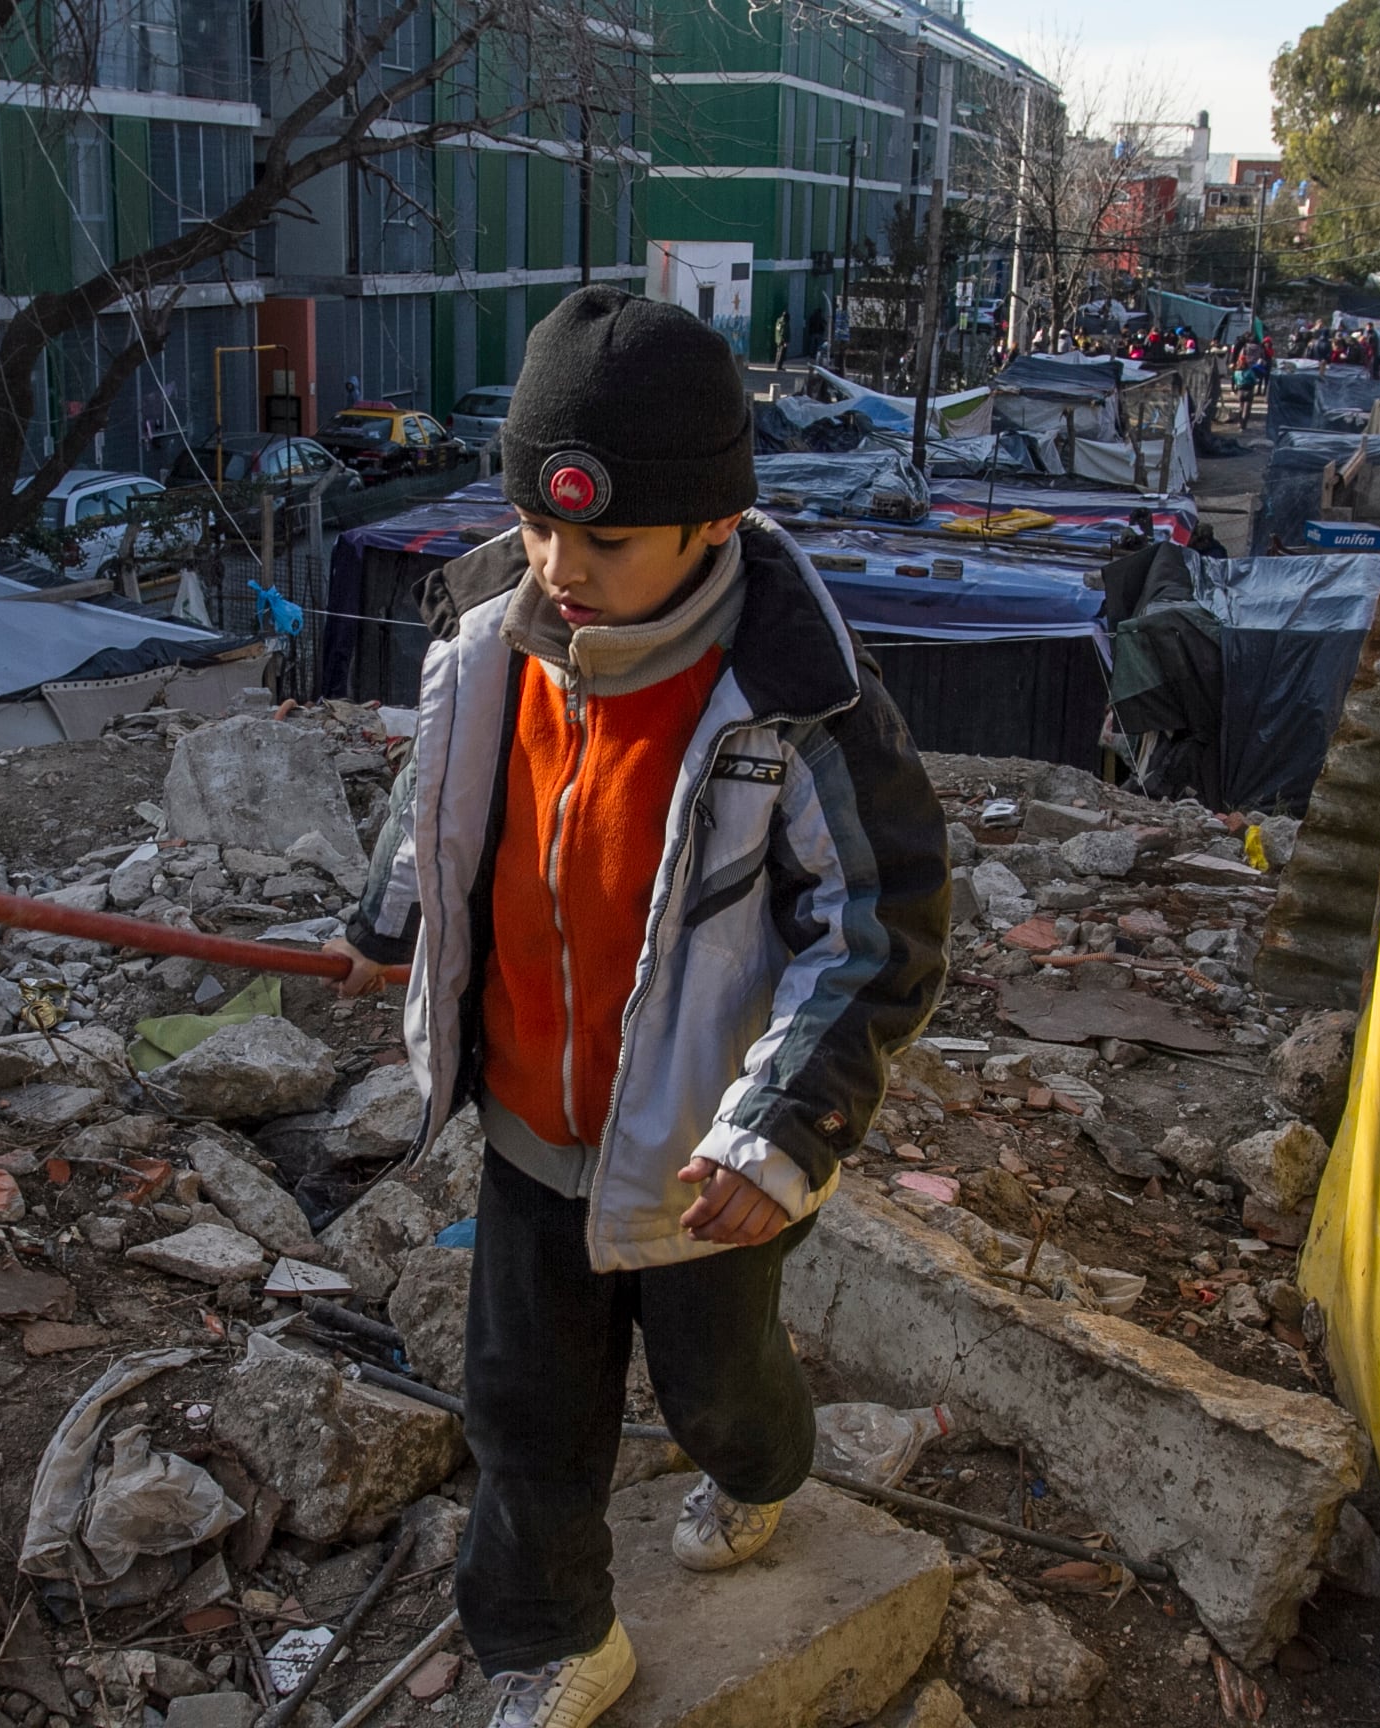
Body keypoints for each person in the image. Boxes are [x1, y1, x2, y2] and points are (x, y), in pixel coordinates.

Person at [323, 286, 949, 1728]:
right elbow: (437, 805)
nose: (562, 568)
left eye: (607, 541)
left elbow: (881, 929)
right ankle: (556, 1637)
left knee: (715, 1383)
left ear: (714, 523)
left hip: (701, 1155)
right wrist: (385, 926)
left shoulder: (795, 700)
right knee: (522, 1409)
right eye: (540, 527)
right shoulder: (489, 641)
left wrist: (781, 1132)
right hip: (531, 1127)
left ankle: (763, 1465)